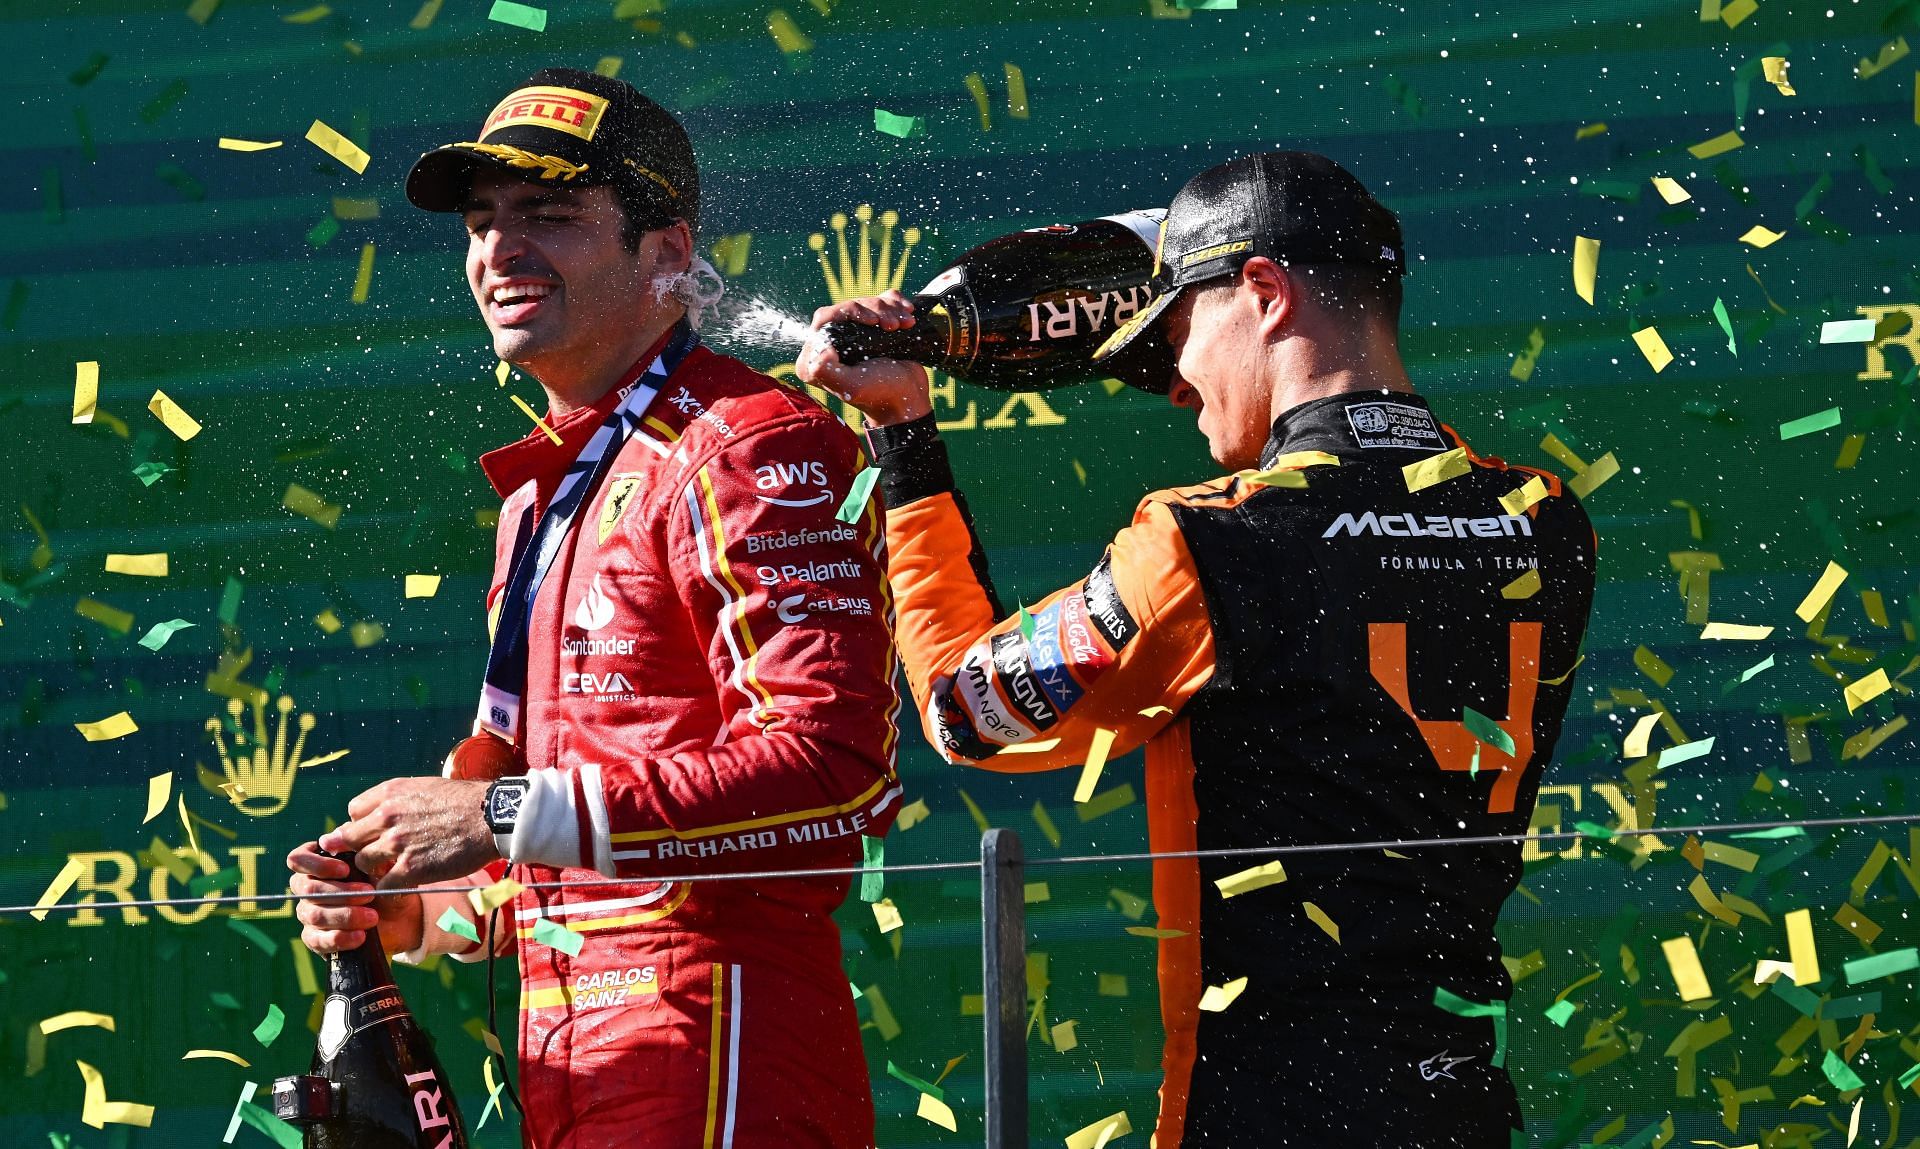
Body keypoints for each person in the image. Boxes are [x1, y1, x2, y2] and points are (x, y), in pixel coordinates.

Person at [799, 151, 1596, 1147]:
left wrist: (903, 439)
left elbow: (967, 711)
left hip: (1271, 1107)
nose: (1174, 380)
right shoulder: (1546, 520)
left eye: (1179, 331)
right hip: (1461, 1096)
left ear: (1263, 291)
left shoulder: (1209, 542)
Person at [287, 68, 902, 1149]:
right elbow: (554, 846)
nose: (499, 251)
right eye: (482, 223)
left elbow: (836, 774)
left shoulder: (753, 441)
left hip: (723, 1047)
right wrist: (418, 918)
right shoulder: (537, 492)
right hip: (567, 1055)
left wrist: (492, 815)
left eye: (551, 217)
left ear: (669, 251)